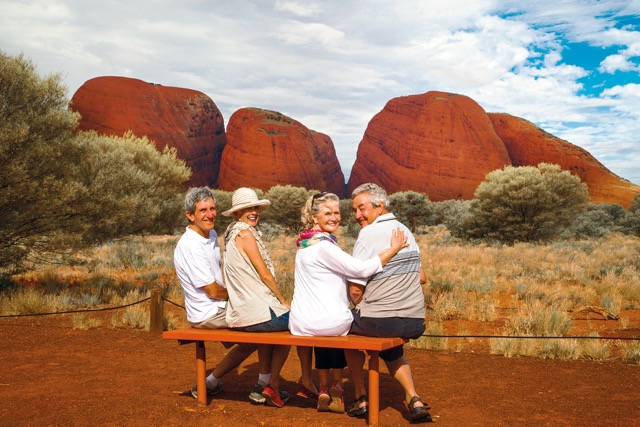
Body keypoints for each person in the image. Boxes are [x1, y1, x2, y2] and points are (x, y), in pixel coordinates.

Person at [289, 192, 409, 414]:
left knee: (325, 328)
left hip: (300, 324)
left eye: (337, 212)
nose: (335, 217)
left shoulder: (303, 245)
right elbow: (361, 270)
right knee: (340, 325)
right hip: (327, 323)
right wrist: (393, 249)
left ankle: (325, 385)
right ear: (314, 217)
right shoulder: (325, 247)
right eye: (328, 213)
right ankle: (339, 384)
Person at [345, 183, 432, 422]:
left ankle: (360, 397)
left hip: (381, 321)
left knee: (343, 329)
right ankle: (413, 398)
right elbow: (422, 277)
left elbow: (354, 289)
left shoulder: (368, 233)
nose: (357, 216)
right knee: (392, 350)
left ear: (380, 206)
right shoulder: (405, 230)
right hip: (414, 321)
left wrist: (359, 302)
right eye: (354, 210)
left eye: (361, 209)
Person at [173, 187, 259, 400]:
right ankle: (264, 387)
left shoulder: (210, 234)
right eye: (202, 210)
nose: (209, 214)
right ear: (190, 215)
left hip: (219, 307)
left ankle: (212, 381)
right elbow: (212, 290)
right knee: (263, 323)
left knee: (261, 328)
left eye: (212, 209)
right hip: (207, 313)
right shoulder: (190, 245)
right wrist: (243, 295)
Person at [221, 187, 291, 408]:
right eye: (247, 208)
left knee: (269, 331)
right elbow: (264, 273)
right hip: (256, 315)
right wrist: (282, 300)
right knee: (294, 325)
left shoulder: (230, 235)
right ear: (236, 213)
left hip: (242, 314)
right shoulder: (246, 234)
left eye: (255, 208)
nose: (253, 212)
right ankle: (272, 385)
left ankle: (260, 385)